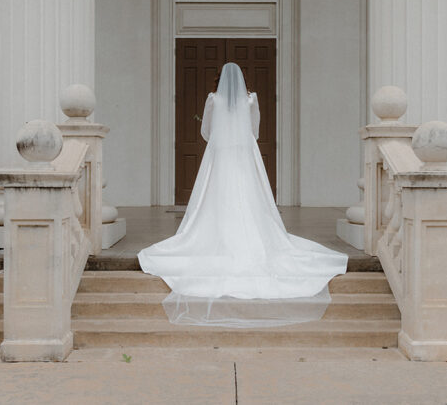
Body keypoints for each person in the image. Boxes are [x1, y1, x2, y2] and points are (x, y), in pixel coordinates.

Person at [138, 62, 348, 326]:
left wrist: (220, 139)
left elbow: (206, 132)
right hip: (244, 155)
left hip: (221, 155)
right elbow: (255, 131)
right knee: (249, 197)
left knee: (216, 198)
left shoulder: (213, 98)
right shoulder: (251, 100)